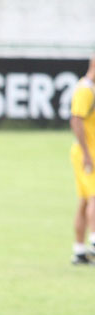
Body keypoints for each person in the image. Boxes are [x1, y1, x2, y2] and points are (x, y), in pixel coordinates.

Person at [70, 54, 95, 265]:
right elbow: (76, 121)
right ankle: (94, 243)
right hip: (88, 153)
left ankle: (79, 251)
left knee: (85, 200)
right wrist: (87, 154)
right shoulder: (85, 90)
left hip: (88, 152)